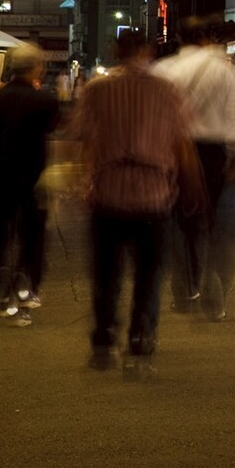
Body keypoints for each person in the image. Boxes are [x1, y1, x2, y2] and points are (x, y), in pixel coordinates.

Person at [75, 29, 203, 377]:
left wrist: (83, 180)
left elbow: (84, 139)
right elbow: (183, 144)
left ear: (116, 50)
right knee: (148, 276)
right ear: (147, 51)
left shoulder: (97, 90)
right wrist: (192, 187)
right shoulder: (167, 91)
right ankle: (139, 346)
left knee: (106, 275)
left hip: (108, 194)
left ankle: (103, 343)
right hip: (154, 196)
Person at [153, 17, 235, 321]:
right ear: (206, 37)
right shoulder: (222, 69)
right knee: (211, 221)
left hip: (173, 151)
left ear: (178, 37)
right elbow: (234, 113)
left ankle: (185, 290)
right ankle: (213, 294)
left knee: (179, 221)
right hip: (211, 152)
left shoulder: (163, 70)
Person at [0, 45, 61, 325]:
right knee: (31, 236)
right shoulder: (44, 101)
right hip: (33, 179)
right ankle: (26, 283)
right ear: (35, 69)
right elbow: (52, 127)